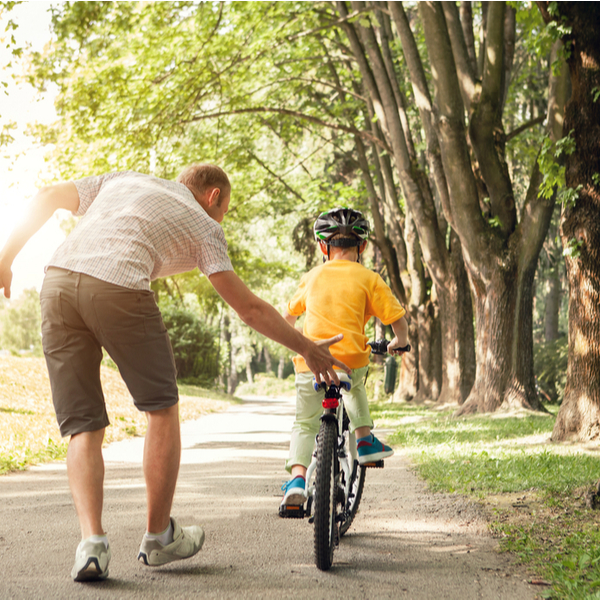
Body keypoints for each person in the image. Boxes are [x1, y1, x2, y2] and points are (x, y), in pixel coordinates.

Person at [0, 165, 350, 582]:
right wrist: (307, 349)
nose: (221, 219)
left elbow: (44, 197)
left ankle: (91, 543)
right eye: (225, 210)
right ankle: (158, 535)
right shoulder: (205, 224)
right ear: (213, 196)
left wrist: (6, 260)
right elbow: (249, 309)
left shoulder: (122, 180)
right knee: (162, 410)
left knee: (83, 426)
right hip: (119, 286)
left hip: (56, 285)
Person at [280, 207, 409, 508]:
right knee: (356, 385)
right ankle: (364, 439)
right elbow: (396, 318)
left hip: (310, 362)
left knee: (304, 423)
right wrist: (399, 341)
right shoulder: (369, 277)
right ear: (362, 246)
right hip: (349, 359)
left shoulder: (312, 276)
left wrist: (296, 346)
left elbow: (288, 317)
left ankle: (297, 480)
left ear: (323, 247)